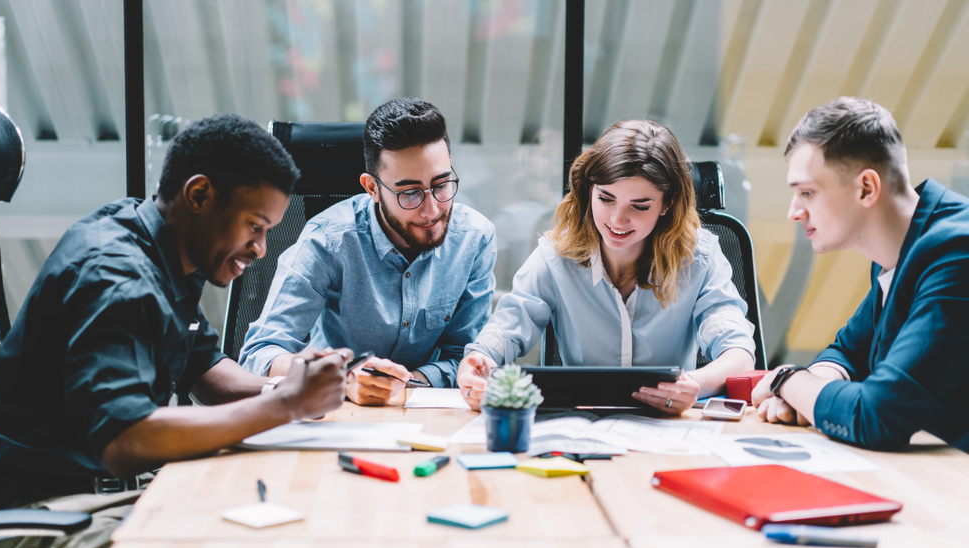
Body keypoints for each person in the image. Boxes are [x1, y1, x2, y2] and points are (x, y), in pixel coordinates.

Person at [0, 114, 351, 548]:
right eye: (256, 227)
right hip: (33, 541)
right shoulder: (116, 277)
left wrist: (292, 385)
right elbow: (126, 439)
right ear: (199, 196)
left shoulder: (166, 248)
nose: (261, 249)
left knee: (284, 521)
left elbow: (207, 371)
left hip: (90, 505)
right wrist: (284, 405)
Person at [457, 120, 756, 413]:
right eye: (606, 198)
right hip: (580, 423)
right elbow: (508, 326)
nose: (616, 220)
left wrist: (693, 385)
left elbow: (739, 354)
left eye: (639, 206)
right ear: (589, 190)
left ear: (668, 203)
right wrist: (481, 357)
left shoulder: (699, 257)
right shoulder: (555, 255)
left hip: (668, 426)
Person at [238, 97, 496, 406]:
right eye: (410, 193)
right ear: (372, 188)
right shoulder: (327, 240)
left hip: (425, 410)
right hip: (338, 411)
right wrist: (340, 377)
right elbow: (259, 352)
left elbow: (464, 355)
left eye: (441, 184)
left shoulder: (475, 238)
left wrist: (410, 383)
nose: (432, 210)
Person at [752, 97, 969, 451]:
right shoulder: (903, 253)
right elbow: (847, 352)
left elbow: (879, 416)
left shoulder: (957, 252)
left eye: (807, 192)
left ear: (866, 188)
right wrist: (806, 393)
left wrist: (786, 379)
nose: (794, 212)